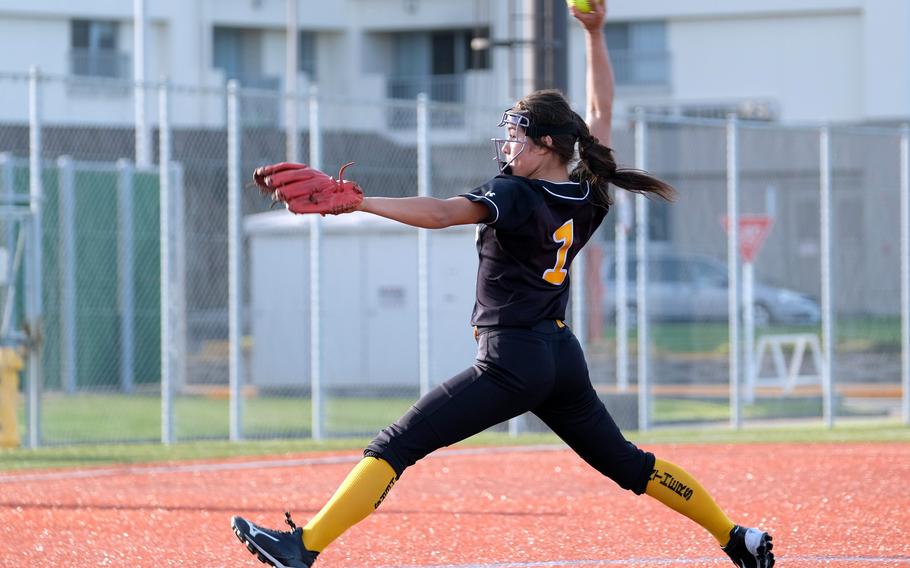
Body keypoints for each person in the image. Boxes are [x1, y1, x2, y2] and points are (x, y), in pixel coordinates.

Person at [230, 2, 775, 567]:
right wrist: (595, 34)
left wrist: (361, 200)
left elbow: (443, 213)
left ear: (546, 145)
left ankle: (304, 548)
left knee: (396, 445)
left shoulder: (515, 193)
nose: (508, 146)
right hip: (560, 356)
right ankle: (737, 537)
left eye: (517, 135)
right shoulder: (589, 194)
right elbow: (599, 111)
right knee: (630, 464)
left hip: (511, 357)